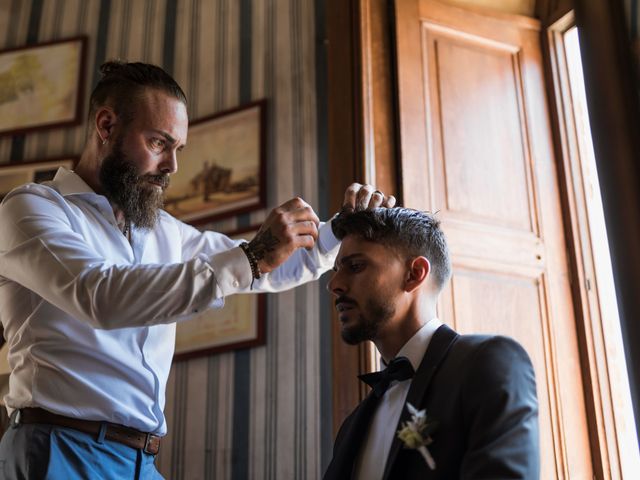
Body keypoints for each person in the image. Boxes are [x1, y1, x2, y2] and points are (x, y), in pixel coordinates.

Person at [0, 61, 395, 479]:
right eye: (158, 143)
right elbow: (99, 296)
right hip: (58, 449)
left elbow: (270, 268)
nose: (172, 166)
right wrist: (252, 256)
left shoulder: (164, 232)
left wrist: (340, 230)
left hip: (141, 462)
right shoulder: (31, 208)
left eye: (178, 150)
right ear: (106, 125)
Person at [323, 207, 539, 479]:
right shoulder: (352, 425)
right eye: (336, 270)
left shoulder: (488, 364)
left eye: (355, 266)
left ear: (414, 274)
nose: (334, 284)